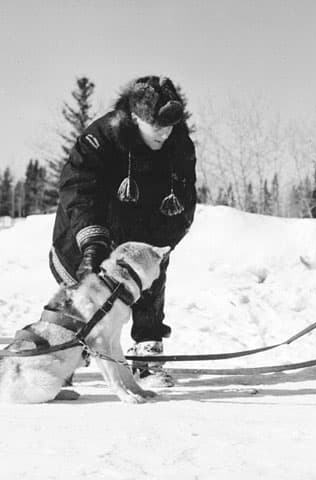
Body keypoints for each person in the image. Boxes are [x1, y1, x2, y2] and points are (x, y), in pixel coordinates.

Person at [49, 75, 197, 387]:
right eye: (156, 126)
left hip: (144, 226)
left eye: (170, 126)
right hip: (89, 228)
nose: (165, 133)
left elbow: (185, 199)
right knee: (84, 291)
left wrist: (157, 248)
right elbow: (78, 188)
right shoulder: (103, 135)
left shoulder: (178, 144)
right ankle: (64, 356)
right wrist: (93, 241)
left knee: (148, 279)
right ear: (134, 118)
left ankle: (147, 355)